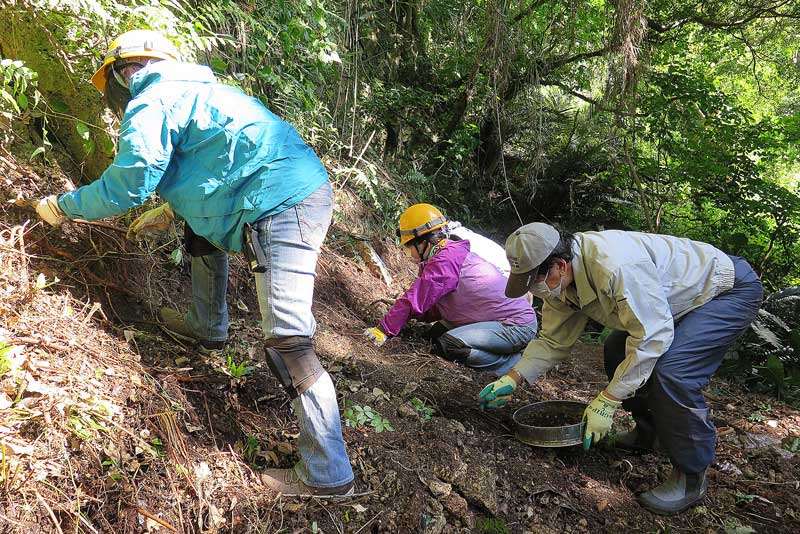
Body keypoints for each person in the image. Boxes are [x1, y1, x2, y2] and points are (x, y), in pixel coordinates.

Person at [33, 29, 354, 497]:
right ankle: (206, 325)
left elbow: (128, 184)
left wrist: (64, 206)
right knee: (198, 235)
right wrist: (170, 209)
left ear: (124, 74)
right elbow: (221, 164)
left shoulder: (153, 99)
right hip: (289, 193)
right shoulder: (205, 89)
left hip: (279, 206)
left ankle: (328, 475)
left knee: (289, 343)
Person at [478, 223, 762, 514]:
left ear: (559, 266)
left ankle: (691, 476)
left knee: (674, 374)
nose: (536, 291)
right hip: (673, 302)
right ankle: (648, 433)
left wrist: (608, 400)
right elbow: (553, 339)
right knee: (616, 348)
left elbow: (652, 336)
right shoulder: (562, 281)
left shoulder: (615, 267)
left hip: (725, 290)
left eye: (535, 280)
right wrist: (513, 377)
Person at [363, 204, 537, 375]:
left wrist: (384, 329)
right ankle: (506, 352)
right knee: (433, 335)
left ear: (423, 243)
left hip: (516, 326)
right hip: (505, 321)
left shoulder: (444, 261)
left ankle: (511, 364)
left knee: (449, 345)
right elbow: (434, 305)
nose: (409, 254)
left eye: (409, 248)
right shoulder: (448, 254)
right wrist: (405, 317)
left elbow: (416, 299)